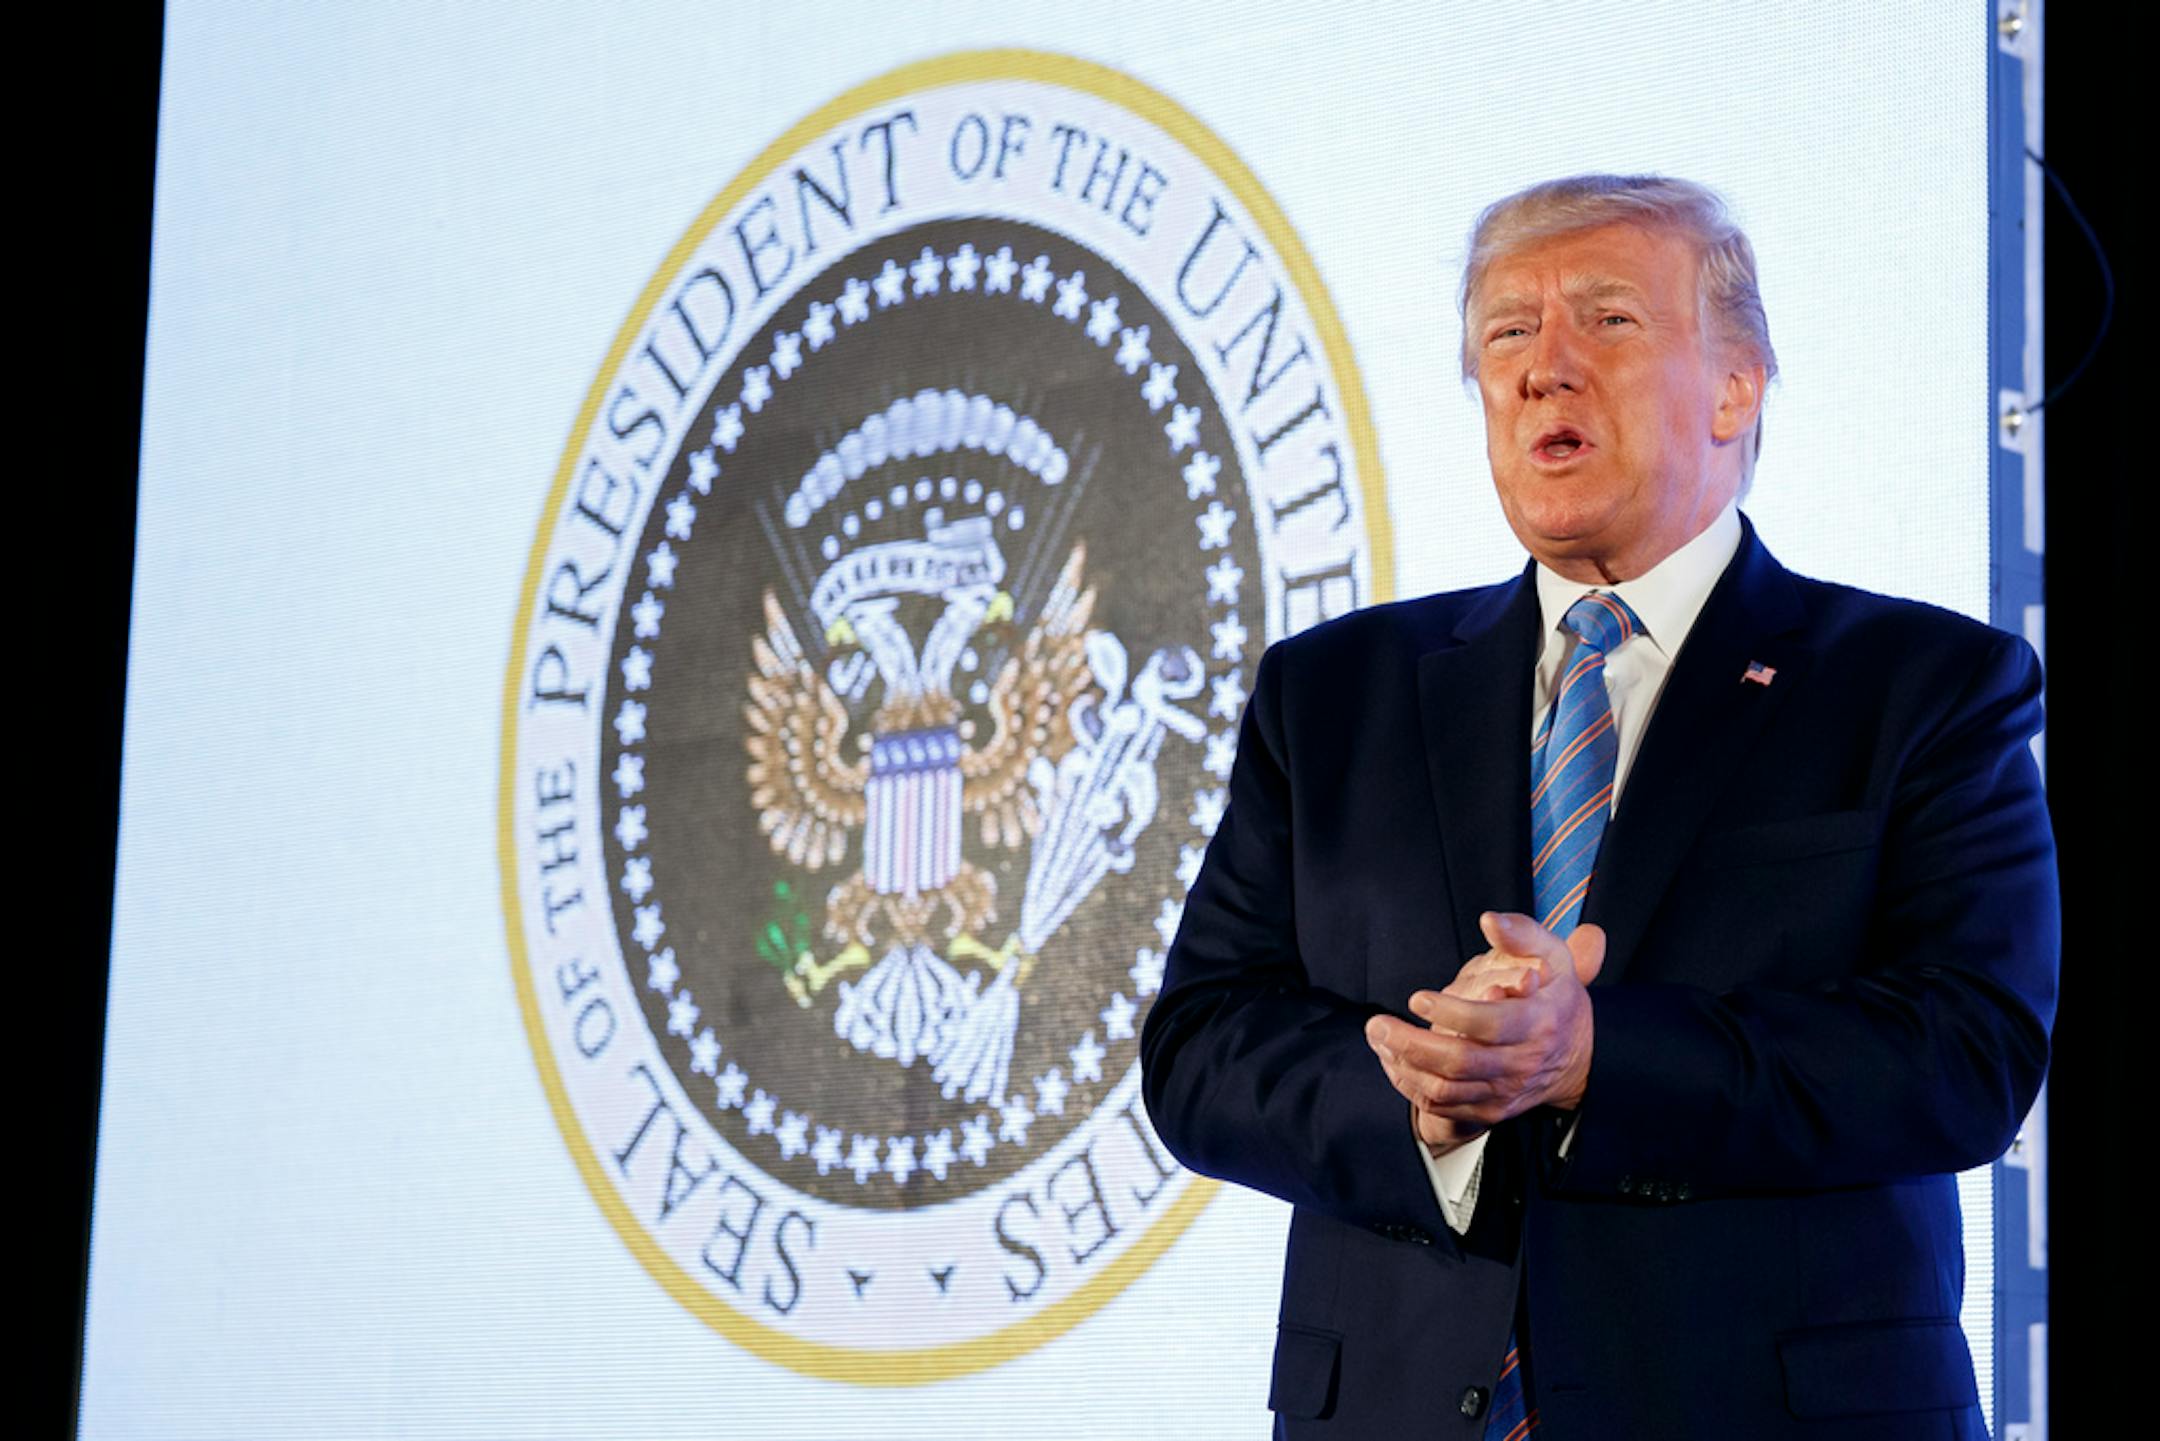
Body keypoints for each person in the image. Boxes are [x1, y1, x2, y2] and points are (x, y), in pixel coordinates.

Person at [1138, 174, 2057, 1439]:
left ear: (1738, 386)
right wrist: (1420, 1098)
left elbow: (1968, 1054)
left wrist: (1594, 1057)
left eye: (1607, 321)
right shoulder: (1331, 695)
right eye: (1506, 335)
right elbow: (1199, 1048)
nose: (1541, 370)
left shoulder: (1921, 686)